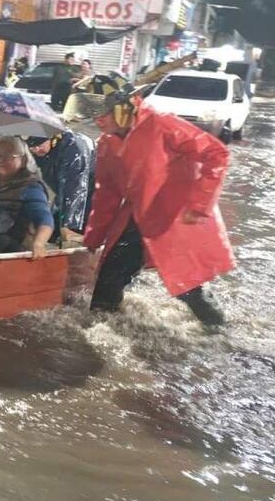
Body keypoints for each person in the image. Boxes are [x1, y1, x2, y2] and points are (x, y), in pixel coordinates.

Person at [75, 91, 233, 331]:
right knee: (109, 279)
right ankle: (99, 331)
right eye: (95, 117)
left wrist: (199, 204)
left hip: (174, 219)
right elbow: (106, 195)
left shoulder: (162, 123)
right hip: (135, 217)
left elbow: (216, 153)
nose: (98, 122)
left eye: (102, 115)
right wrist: (94, 237)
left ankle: (220, 331)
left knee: (187, 286)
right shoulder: (106, 144)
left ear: (121, 110)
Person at [25, 130, 96, 239]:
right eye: (32, 147)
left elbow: (74, 187)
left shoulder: (74, 148)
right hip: (64, 190)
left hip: (94, 189)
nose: (36, 149)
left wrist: (68, 225)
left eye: (39, 145)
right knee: (49, 229)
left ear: (52, 138)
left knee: (76, 231)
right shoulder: (37, 150)